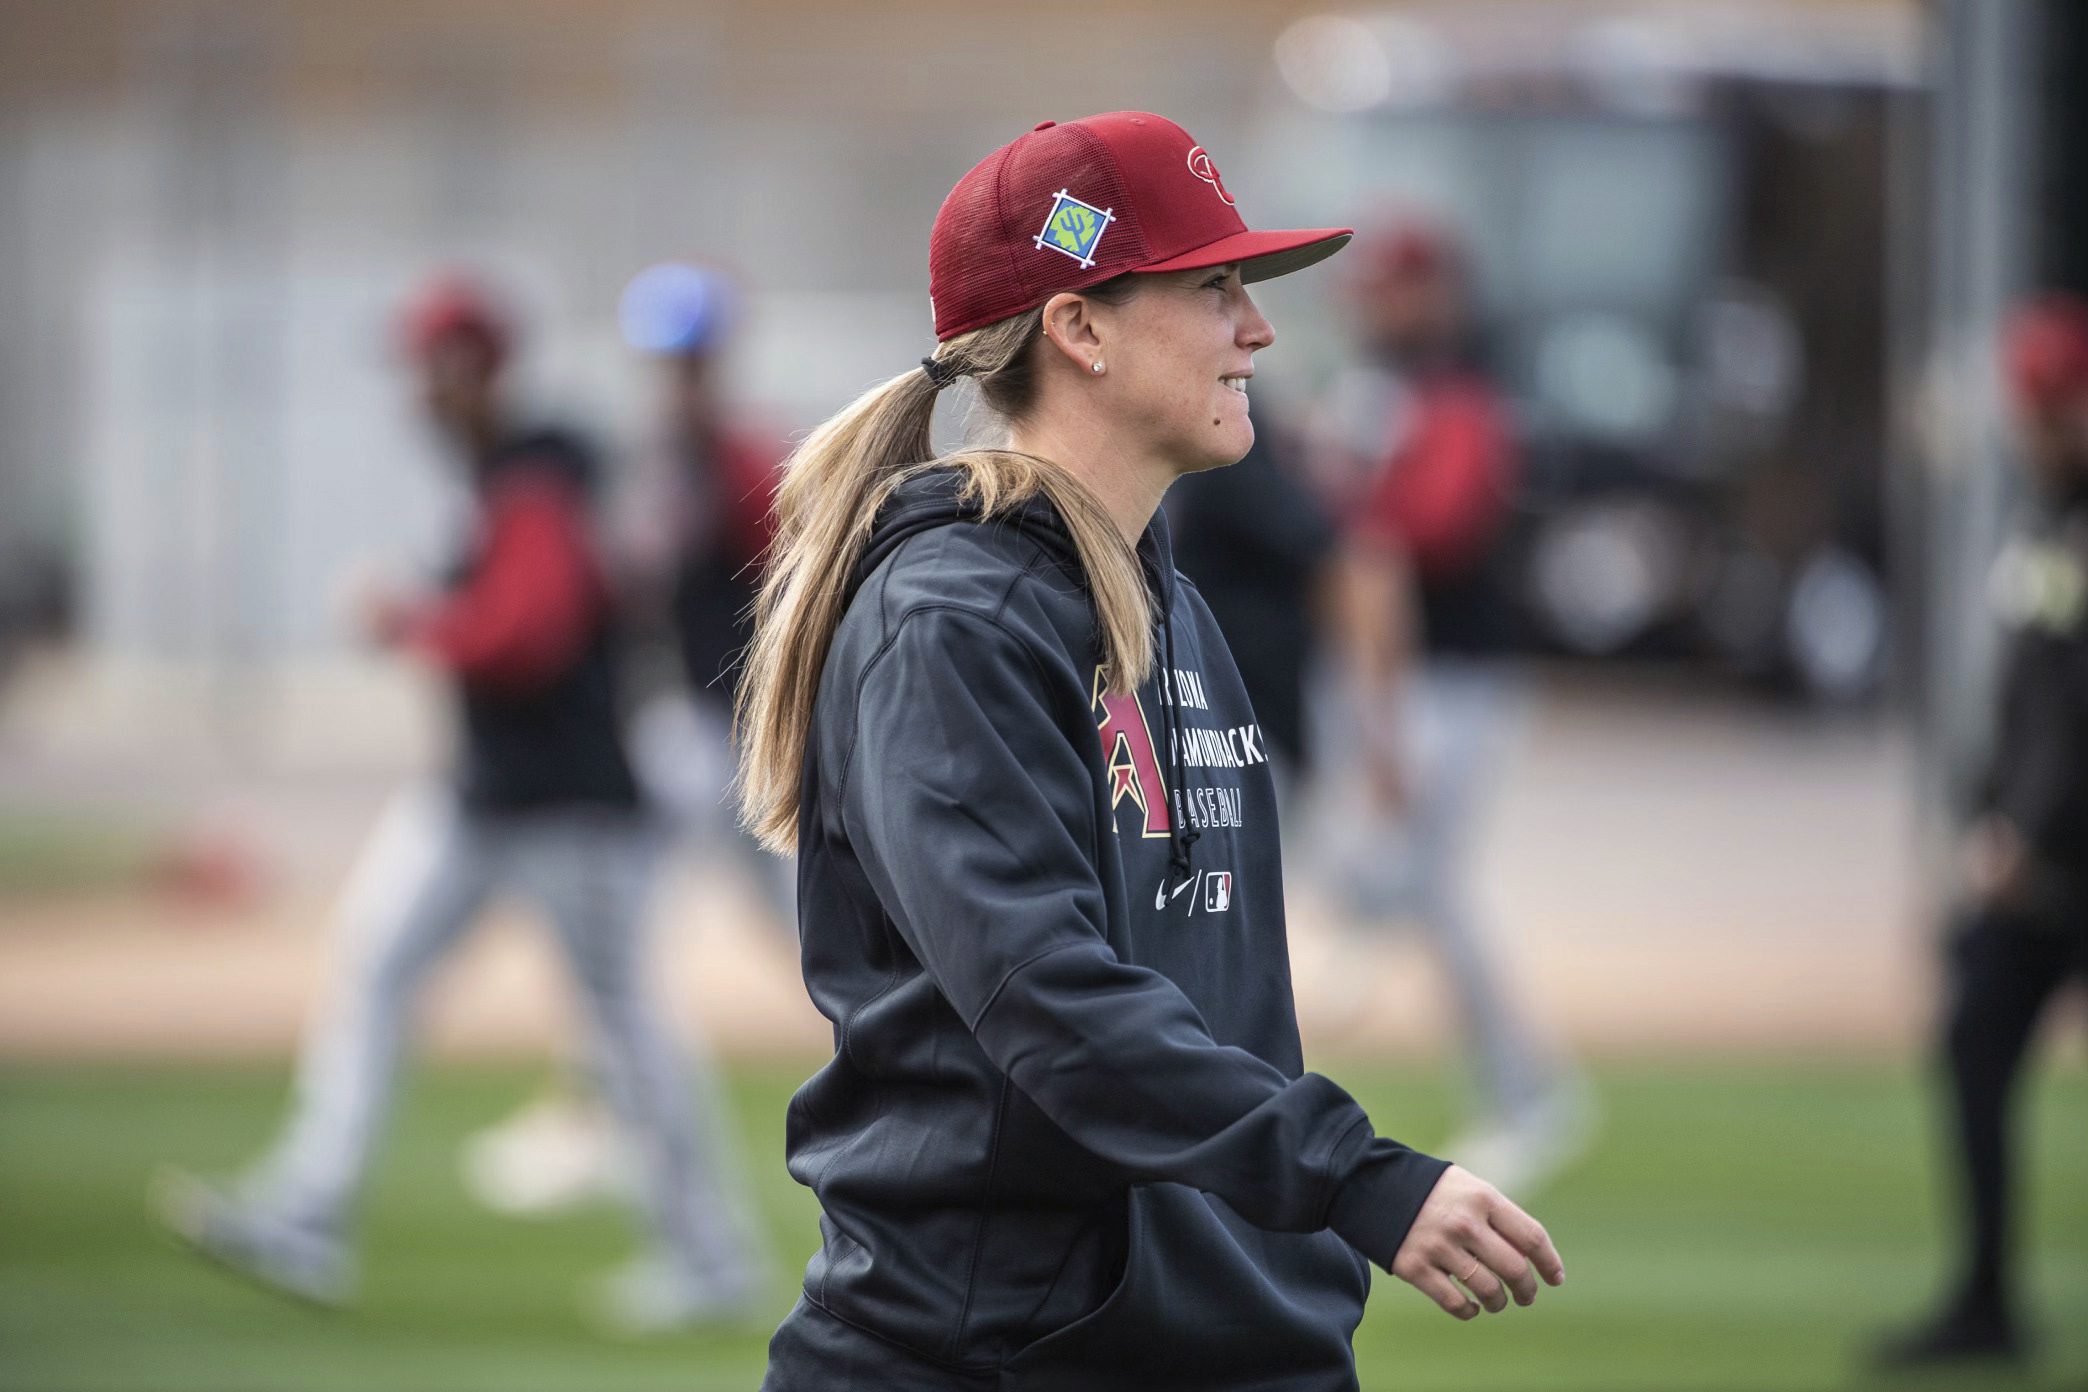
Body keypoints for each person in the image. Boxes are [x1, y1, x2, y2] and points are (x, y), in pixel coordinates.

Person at [734, 113, 1564, 1392]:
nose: (1261, 327)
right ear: (1081, 328)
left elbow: (1225, 1004)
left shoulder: (1161, 597)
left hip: (1218, 1345)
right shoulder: (954, 621)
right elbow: (1050, 1005)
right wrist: (1358, 1179)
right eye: (1216, 286)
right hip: (1004, 1355)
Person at [154, 274, 768, 1332]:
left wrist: (410, 619)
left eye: (431, 368)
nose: (416, 392)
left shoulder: (539, 474)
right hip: (485, 798)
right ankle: (308, 1210)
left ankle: (713, 1257)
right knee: (376, 972)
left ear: (474, 368)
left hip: (571, 804)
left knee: (628, 1034)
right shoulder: (515, 473)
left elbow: (525, 634)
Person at [458, 262, 790, 1223]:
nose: (674, 374)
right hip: (694, 726)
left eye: (685, 356)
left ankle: (589, 1116)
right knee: (713, 932)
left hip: (724, 730)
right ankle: (590, 1112)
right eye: (665, 358)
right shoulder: (666, 458)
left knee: (631, 932)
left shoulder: (733, 459)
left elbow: (771, 583)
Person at [1305, 217, 1589, 1199]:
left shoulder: (1471, 389)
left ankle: (1529, 1093)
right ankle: (1521, 1090)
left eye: (1395, 290)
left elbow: (1434, 526)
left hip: (1459, 672)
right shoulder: (1369, 384)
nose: (1377, 309)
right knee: (1391, 870)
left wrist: (1351, 498)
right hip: (1371, 664)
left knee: (1417, 878)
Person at [1877, 293, 2088, 1368]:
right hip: (2034, 863)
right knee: (1973, 1045)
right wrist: (1984, 824)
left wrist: (2027, 834)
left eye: (2058, 405)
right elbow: (2019, 700)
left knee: (1978, 1041)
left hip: (2056, 859)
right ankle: (1987, 1303)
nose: (2042, 426)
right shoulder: (2044, 513)